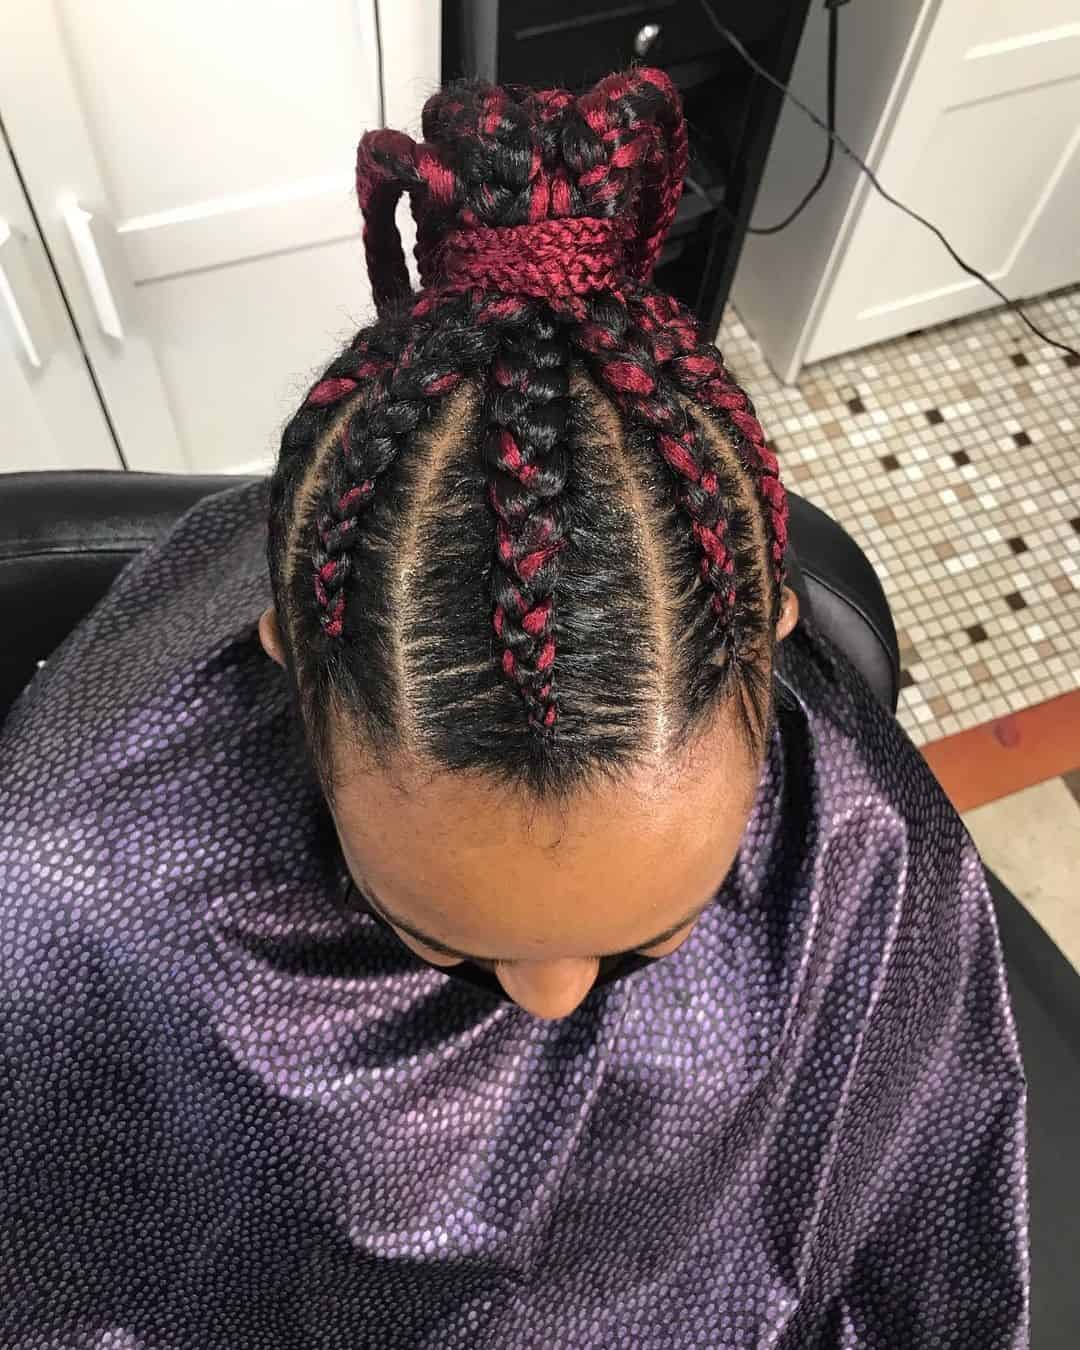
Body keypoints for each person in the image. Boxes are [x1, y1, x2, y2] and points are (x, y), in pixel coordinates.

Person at [0, 68, 1028, 1348]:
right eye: (440, 937)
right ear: (288, 669)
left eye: (654, 938)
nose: (548, 1000)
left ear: (769, 645)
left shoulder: (862, 850)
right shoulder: (78, 891)